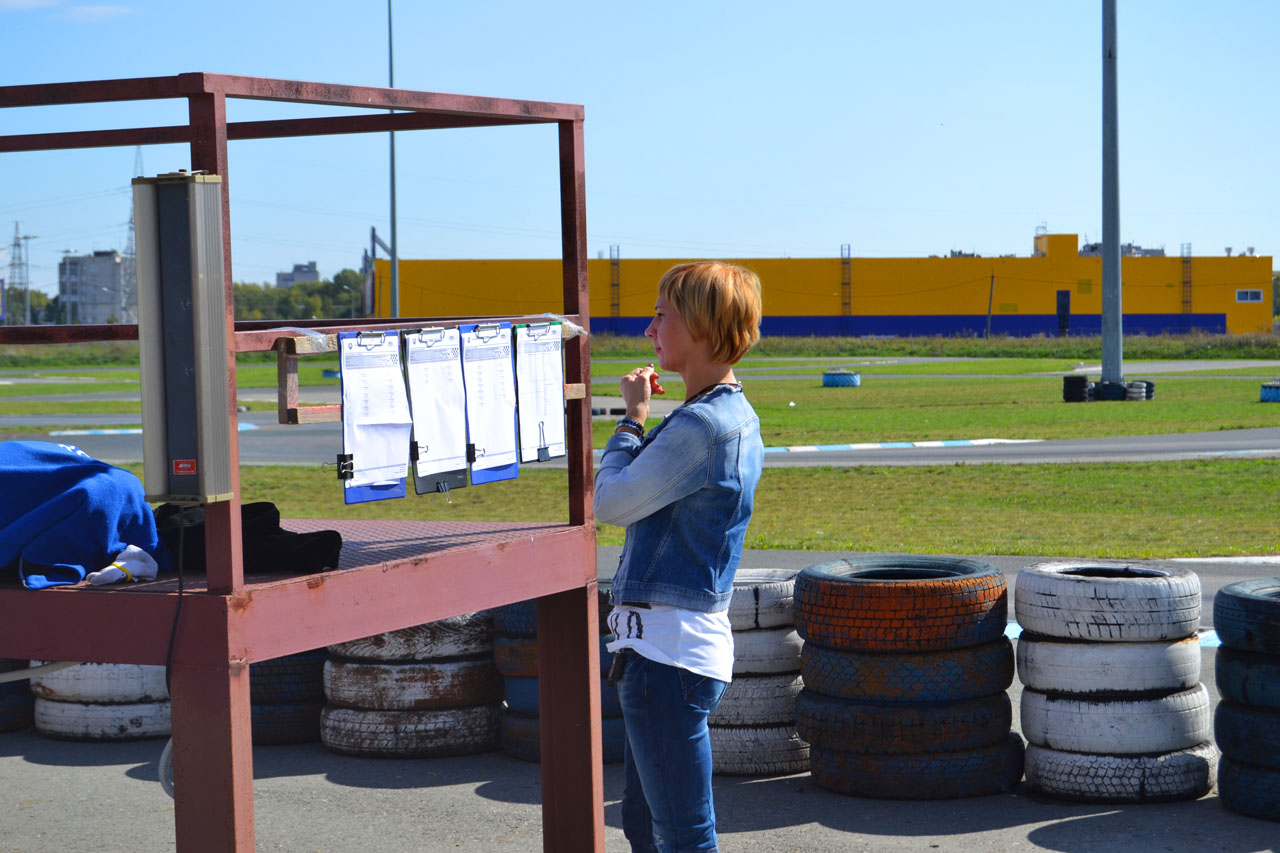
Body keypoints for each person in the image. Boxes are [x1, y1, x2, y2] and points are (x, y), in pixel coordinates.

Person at [594, 261, 765, 853]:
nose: (650, 330)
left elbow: (611, 502)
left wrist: (630, 420)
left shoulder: (702, 425)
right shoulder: (731, 413)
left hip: (666, 656)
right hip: (673, 649)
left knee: (683, 838)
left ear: (699, 324)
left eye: (661, 315)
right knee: (645, 826)